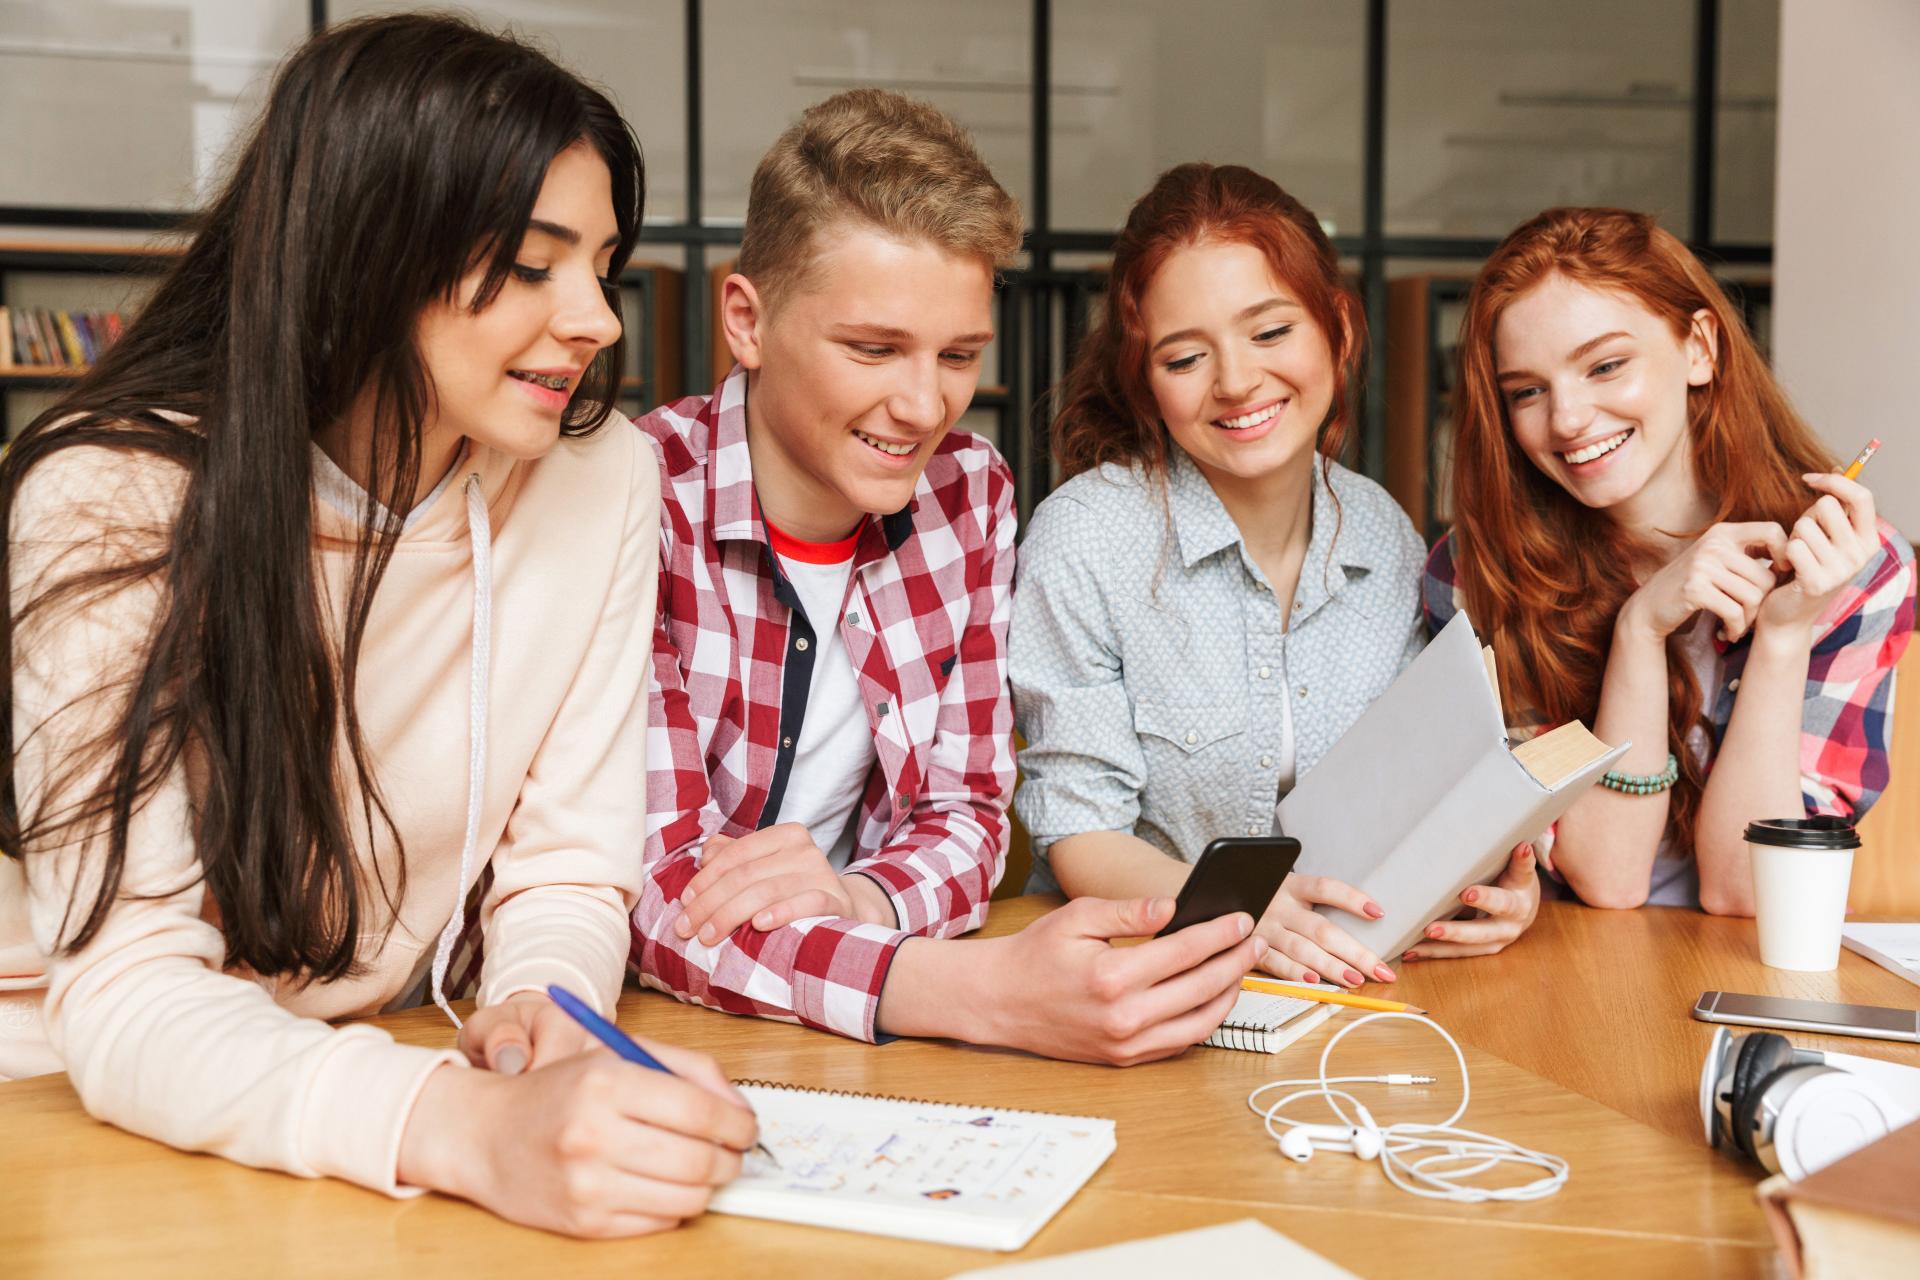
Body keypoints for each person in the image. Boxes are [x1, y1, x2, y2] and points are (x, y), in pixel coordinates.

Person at [0, 14, 754, 1238]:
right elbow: (128, 988)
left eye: (602, 265)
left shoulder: (602, 477)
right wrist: (465, 1124)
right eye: (531, 263)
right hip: (80, 1108)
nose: (599, 320)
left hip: (378, 1081)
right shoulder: (108, 493)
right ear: (368, 249)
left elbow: (566, 862)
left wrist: (545, 1011)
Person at [631, 92, 1262, 1065]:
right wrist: (972, 990)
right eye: (873, 349)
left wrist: (857, 897)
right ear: (747, 321)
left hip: (852, 1042)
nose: (925, 404)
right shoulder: (635, 500)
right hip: (659, 1038)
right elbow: (654, 899)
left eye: (960, 355)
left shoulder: (969, 493)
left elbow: (966, 818)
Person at [1009, 163, 1540, 980]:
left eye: (1269, 332)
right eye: (1185, 358)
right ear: (1145, 383)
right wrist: (1243, 917)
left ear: (1339, 327)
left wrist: (1495, 884)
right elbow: (1081, 834)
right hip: (1136, 976)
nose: (1237, 381)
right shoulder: (1086, 539)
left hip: (1346, 979)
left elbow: (1413, 792)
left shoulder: (1381, 533)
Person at [1427, 206, 1915, 915]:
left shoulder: (1857, 570)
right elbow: (1608, 877)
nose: (1565, 419)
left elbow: (1745, 893)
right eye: (1526, 391)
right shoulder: (1479, 572)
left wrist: (1783, 638)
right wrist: (1641, 628)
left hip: (1737, 975)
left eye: (1605, 366)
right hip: (1563, 973)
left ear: (1700, 348)